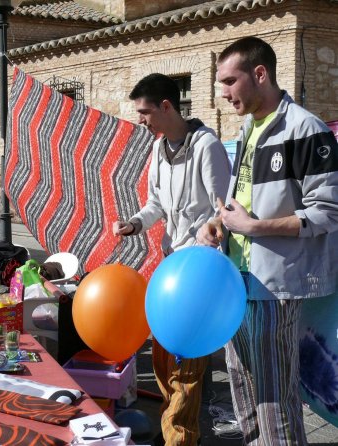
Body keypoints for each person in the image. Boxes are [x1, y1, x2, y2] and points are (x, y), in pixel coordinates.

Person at [197, 36, 338, 445]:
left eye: (229, 81)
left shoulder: (305, 128)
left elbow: (328, 212)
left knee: (274, 398)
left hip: (274, 285)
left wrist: (255, 228)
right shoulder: (247, 128)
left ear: (260, 74)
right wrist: (218, 222)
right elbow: (245, 199)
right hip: (236, 279)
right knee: (242, 385)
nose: (222, 93)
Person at [112, 73, 231, 446]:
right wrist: (134, 223)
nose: (141, 120)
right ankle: (180, 429)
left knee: (185, 364)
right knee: (164, 358)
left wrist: (210, 229)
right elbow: (156, 205)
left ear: (167, 106)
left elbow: (224, 209)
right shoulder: (158, 149)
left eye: (144, 112)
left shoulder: (207, 146)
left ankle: (180, 437)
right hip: (171, 269)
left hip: (198, 272)